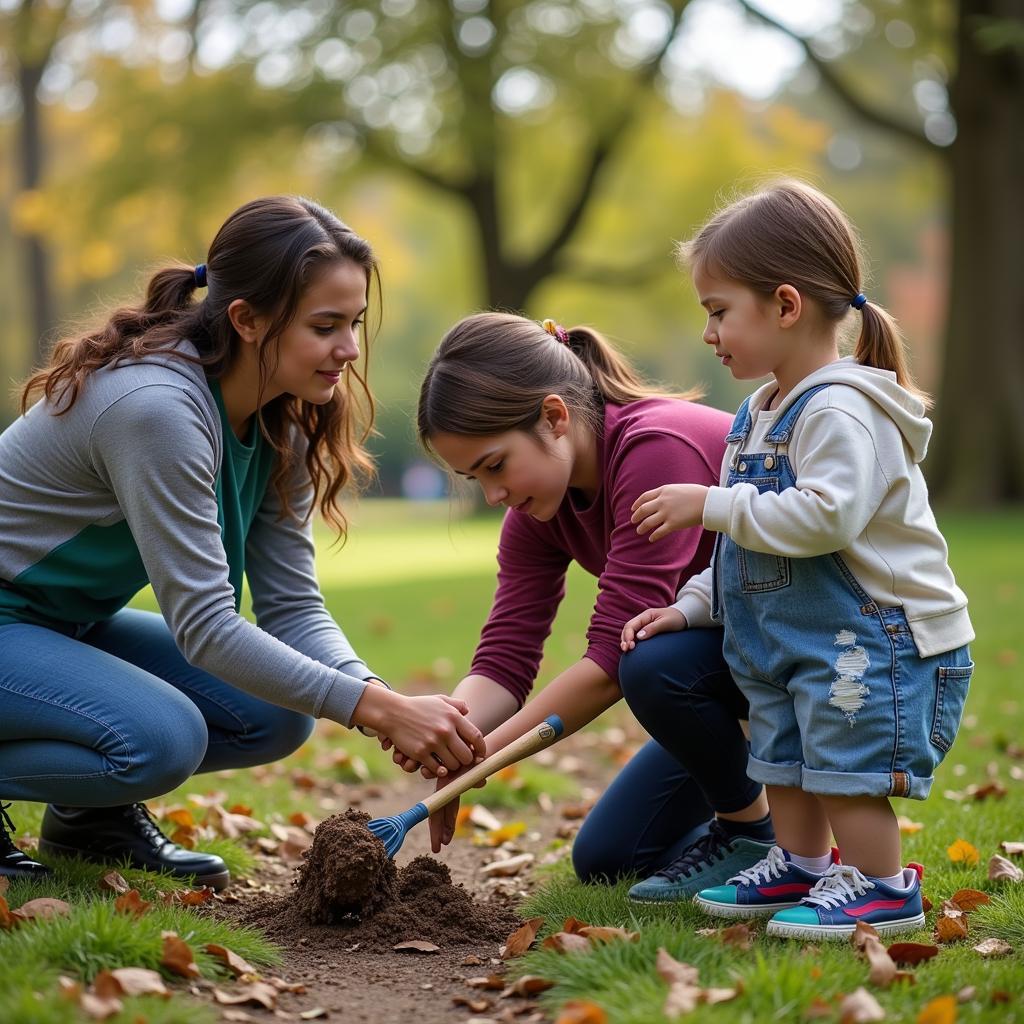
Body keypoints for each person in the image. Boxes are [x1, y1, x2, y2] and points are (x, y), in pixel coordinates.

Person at [0, 195, 483, 888]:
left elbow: (290, 608)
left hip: (56, 626)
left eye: (354, 324)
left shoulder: (281, 421)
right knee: (160, 738)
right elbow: (205, 627)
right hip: (13, 619)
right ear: (247, 320)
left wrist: (376, 696)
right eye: (325, 326)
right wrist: (382, 712)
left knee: (275, 715)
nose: (348, 349)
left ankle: (88, 822)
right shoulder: (156, 411)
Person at [623, 180, 974, 938]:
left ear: (785, 305)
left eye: (719, 311)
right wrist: (690, 605)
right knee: (781, 761)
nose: (710, 333)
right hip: (790, 639)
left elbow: (825, 518)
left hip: (877, 639)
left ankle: (884, 886)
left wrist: (707, 502)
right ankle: (802, 866)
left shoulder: (842, 408)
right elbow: (744, 548)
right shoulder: (759, 411)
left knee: (846, 772)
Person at [406, 311, 776, 895]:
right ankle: (770, 841)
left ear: (554, 417)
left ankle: (751, 831)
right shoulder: (535, 508)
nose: (494, 494)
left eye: (495, 465)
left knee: (647, 659)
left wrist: (481, 760)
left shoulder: (655, 449)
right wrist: (454, 734)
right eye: (473, 478)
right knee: (612, 857)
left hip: (808, 656)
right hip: (722, 672)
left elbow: (610, 663)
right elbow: (506, 657)